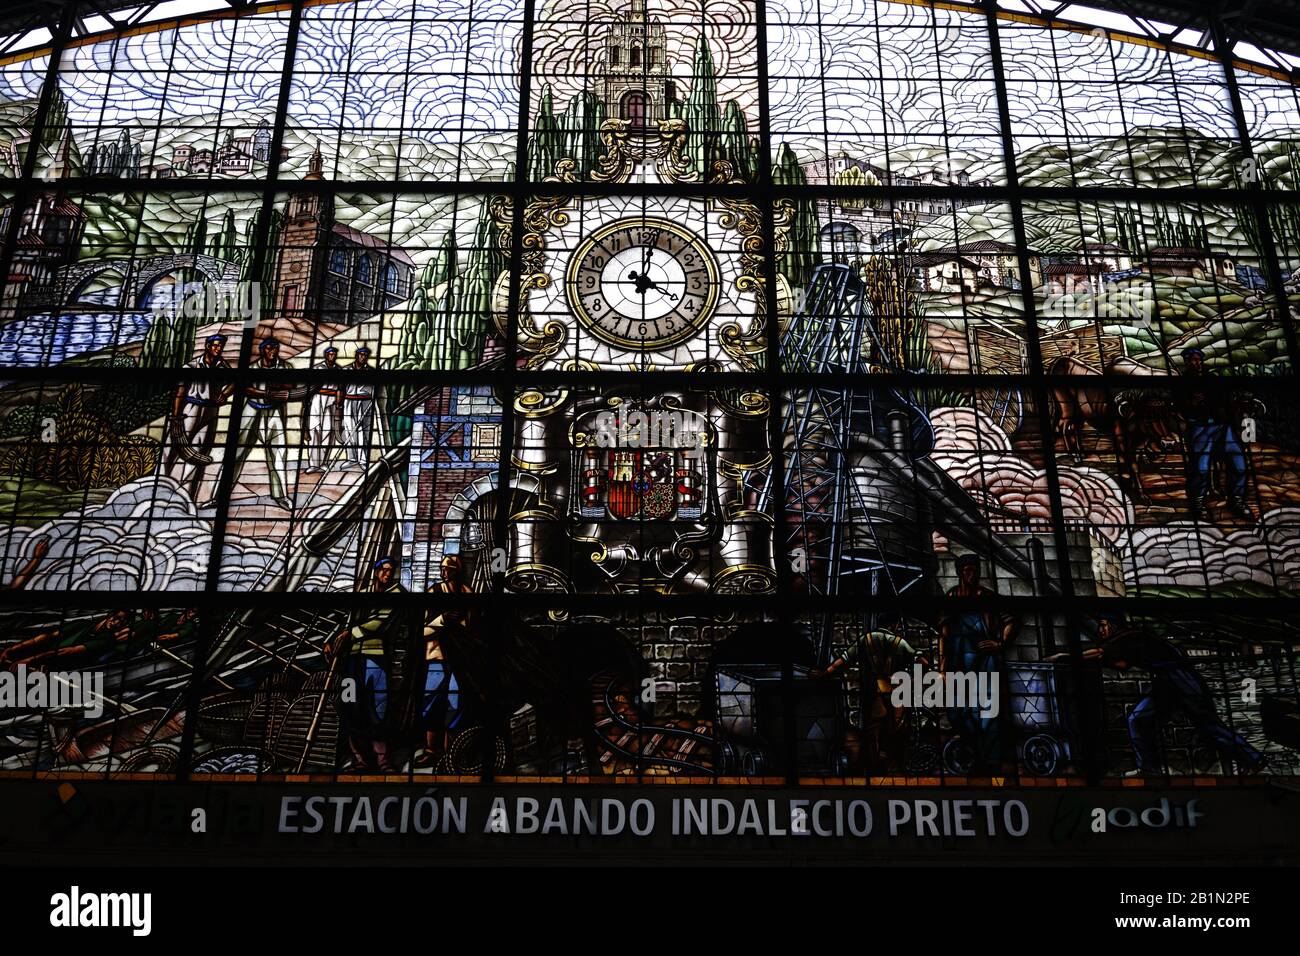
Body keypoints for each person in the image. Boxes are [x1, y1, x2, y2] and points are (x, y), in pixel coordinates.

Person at [1054, 613, 1266, 776]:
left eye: (1103, 625)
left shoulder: (1126, 636)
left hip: (1182, 680)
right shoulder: (1128, 639)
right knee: (1138, 719)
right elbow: (1122, 663)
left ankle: (1254, 759)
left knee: (1209, 725)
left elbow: (1102, 654)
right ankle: (1150, 769)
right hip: (1167, 682)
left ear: (1113, 625)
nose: (1100, 630)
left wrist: (1065, 656)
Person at [325, 556, 406, 772]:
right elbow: (347, 619)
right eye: (384, 570)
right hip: (352, 661)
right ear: (376, 570)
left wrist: (348, 634)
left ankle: (383, 761)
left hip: (375, 659)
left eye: (391, 570)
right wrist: (330, 640)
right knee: (351, 707)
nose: (387, 574)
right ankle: (359, 759)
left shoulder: (396, 594)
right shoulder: (361, 594)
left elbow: (379, 622)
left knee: (379, 708)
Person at [938, 554, 1017, 771]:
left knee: (988, 713)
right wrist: (942, 668)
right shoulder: (951, 596)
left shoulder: (988, 596)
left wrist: (999, 643)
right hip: (957, 661)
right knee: (957, 711)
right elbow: (943, 634)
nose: (971, 574)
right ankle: (971, 753)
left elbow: (1010, 621)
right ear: (960, 572)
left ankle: (989, 762)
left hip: (985, 661)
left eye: (974, 569)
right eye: (967, 570)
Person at [815, 621, 925, 771]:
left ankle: (875, 767)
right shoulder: (901, 643)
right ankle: (895, 768)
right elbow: (922, 662)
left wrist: (824, 674)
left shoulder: (864, 640)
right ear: (895, 625)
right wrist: (914, 681)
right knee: (897, 730)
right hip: (898, 691)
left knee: (874, 730)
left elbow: (842, 661)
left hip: (877, 690)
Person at [414, 555, 476, 768]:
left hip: (461, 659)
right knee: (431, 703)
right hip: (436, 658)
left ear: (457, 570)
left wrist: (459, 625)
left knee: (455, 704)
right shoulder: (434, 593)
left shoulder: (467, 593)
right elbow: (421, 630)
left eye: (449, 568)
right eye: (442, 568)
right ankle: (432, 750)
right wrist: (443, 621)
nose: (444, 572)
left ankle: (452, 752)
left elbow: (471, 628)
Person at [1180, 347, 1254, 522]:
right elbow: (1178, 406)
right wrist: (1191, 401)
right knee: (1201, 468)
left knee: (1239, 464)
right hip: (1199, 427)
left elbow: (1224, 399)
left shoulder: (1212, 379)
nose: (1196, 363)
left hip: (1222, 426)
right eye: (1192, 360)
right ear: (1186, 362)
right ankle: (1197, 504)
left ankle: (1236, 500)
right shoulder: (1182, 383)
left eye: (1198, 360)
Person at [166, 334, 233, 502]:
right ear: (207, 346)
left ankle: (186, 496)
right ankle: (159, 485)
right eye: (215, 345)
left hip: (210, 411)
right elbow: (180, 392)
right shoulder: (191, 366)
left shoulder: (222, 366)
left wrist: (224, 395)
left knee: (199, 451)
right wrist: (175, 416)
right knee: (172, 447)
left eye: (221, 346)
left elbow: (235, 381)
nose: (218, 349)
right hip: (190, 409)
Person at [231, 337, 295, 511]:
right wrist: (267, 392)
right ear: (262, 350)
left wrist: (277, 386)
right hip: (251, 410)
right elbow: (246, 388)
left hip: (274, 411)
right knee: (236, 451)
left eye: (275, 348)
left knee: (278, 453)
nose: (272, 351)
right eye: (269, 348)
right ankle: (221, 494)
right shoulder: (252, 367)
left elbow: (291, 385)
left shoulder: (285, 367)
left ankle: (281, 495)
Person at [303, 346, 343, 474]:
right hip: (317, 398)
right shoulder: (317, 368)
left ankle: (324, 462)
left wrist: (339, 404)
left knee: (328, 431)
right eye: (330, 354)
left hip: (331, 400)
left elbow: (341, 388)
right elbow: (309, 386)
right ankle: (314, 464)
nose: (332, 356)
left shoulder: (339, 370)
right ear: (326, 355)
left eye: (334, 354)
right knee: (315, 429)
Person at [340, 346, 375, 470]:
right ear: (357, 355)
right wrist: (339, 404)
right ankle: (352, 458)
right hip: (349, 401)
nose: (363, 357)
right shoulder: (347, 370)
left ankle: (363, 460)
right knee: (349, 430)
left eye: (365, 355)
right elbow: (341, 387)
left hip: (365, 402)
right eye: (361, 355)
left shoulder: (372, 371)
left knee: (364, 432)